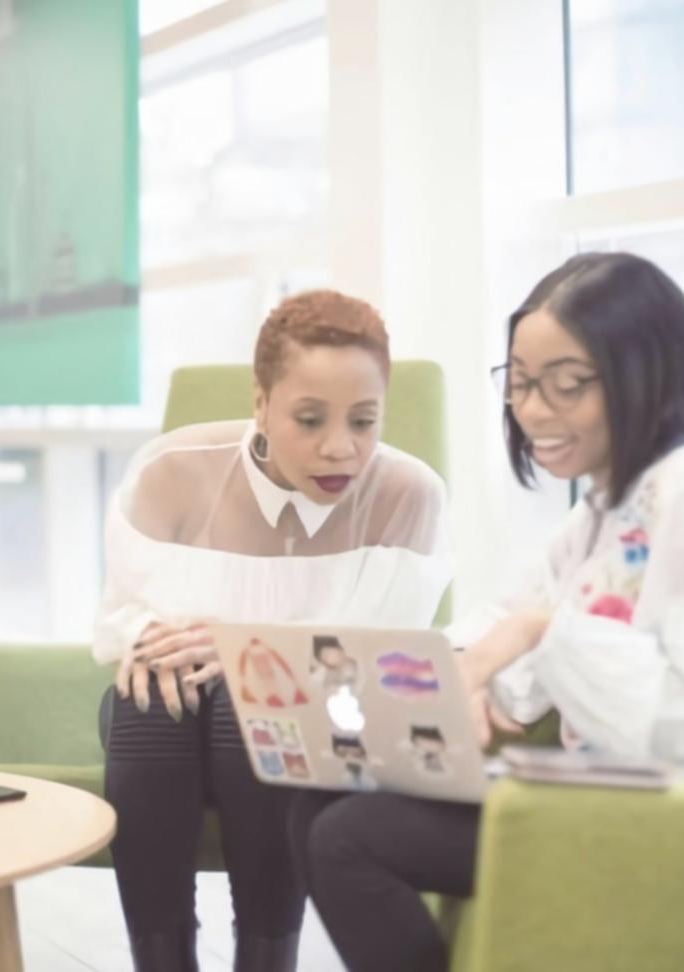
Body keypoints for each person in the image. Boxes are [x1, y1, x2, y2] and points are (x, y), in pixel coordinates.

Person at [288, 253, 684, 972]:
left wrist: (536, 635)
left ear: (644, 374)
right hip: (630, 795)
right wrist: (419, 679)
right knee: (316, 802)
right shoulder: (603, 512)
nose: (532, 410)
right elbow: (509, 628)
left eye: (564, 386)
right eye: (521, 384)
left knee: (350, 837)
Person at [93, 289, 453, 971]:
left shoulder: (410, 495)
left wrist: (243, 648)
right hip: (167, 731)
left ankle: (266, 961)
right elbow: (123, 622)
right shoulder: (172, 470)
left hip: (310, 722)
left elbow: (382, 662)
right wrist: (156, 640)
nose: (340, 448)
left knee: (255, 697)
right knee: (152, 693)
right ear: (260, 402)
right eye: (309, 419)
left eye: (364, 420)